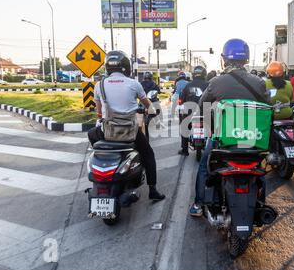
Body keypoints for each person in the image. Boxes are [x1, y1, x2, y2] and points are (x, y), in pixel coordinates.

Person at [189, 39, 270, 217]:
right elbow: (268, 107)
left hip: (223, 139)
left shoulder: (217, 82)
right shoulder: (258, 82)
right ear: (246, 59)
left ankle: (198, 204)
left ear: (224, 59)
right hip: (252, 138)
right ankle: (262, 201)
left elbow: (203, 107)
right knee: (259, 167)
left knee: (204, 166)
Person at [88, 51, 165, 202]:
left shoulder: (99, 85)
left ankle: (101, 166)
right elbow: (147, 105)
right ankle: (152, 190)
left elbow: (98, 112)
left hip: (108, 132)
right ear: (126, 67)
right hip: (130, 132)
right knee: (148, 154)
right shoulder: (134, 84)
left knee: (92, 134)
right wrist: (153, 111)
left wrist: (102, 117)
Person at [178, 66, 209, 156]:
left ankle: (184, 150)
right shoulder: (208, 85)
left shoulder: (188, 85)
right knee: (214, 129)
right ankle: (213, 147)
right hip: (205, 112)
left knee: (184, 127)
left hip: (190, 113)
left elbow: (181, 100)